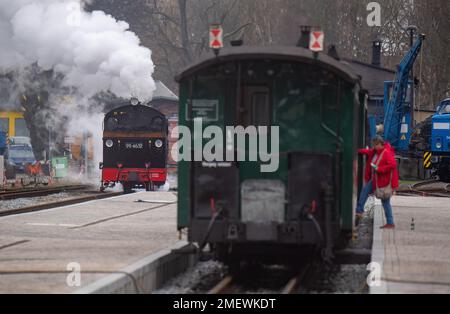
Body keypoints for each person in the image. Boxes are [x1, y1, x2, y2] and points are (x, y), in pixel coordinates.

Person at [356, 136, 399, 229]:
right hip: (377, 180)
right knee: (367, 192)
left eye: (376, 145)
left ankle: (390, 222)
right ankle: (360, 210)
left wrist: (380, 169)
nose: (374, 147)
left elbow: (393, 164)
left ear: (380, 144)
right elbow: (368, 151)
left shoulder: (386, 153)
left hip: (382, 181)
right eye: (374, 145)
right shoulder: (376, 152)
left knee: (384, 201)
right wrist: (358, 150)